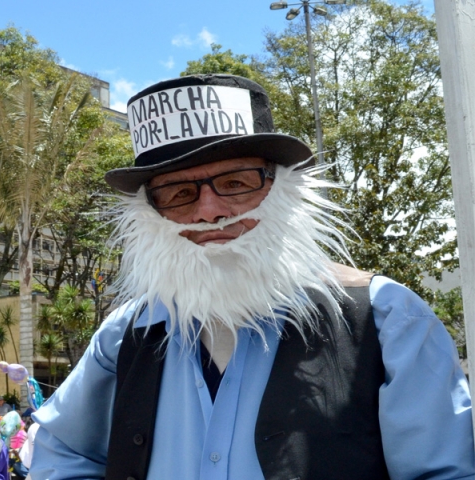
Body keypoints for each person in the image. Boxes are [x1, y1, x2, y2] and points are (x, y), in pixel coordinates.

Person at [30, 75, 475, 479]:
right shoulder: (126, 333)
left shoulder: (387, 319)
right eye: (179, 193)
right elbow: (62, 451)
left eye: (237, 183)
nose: (210, 210)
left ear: (281, 187)